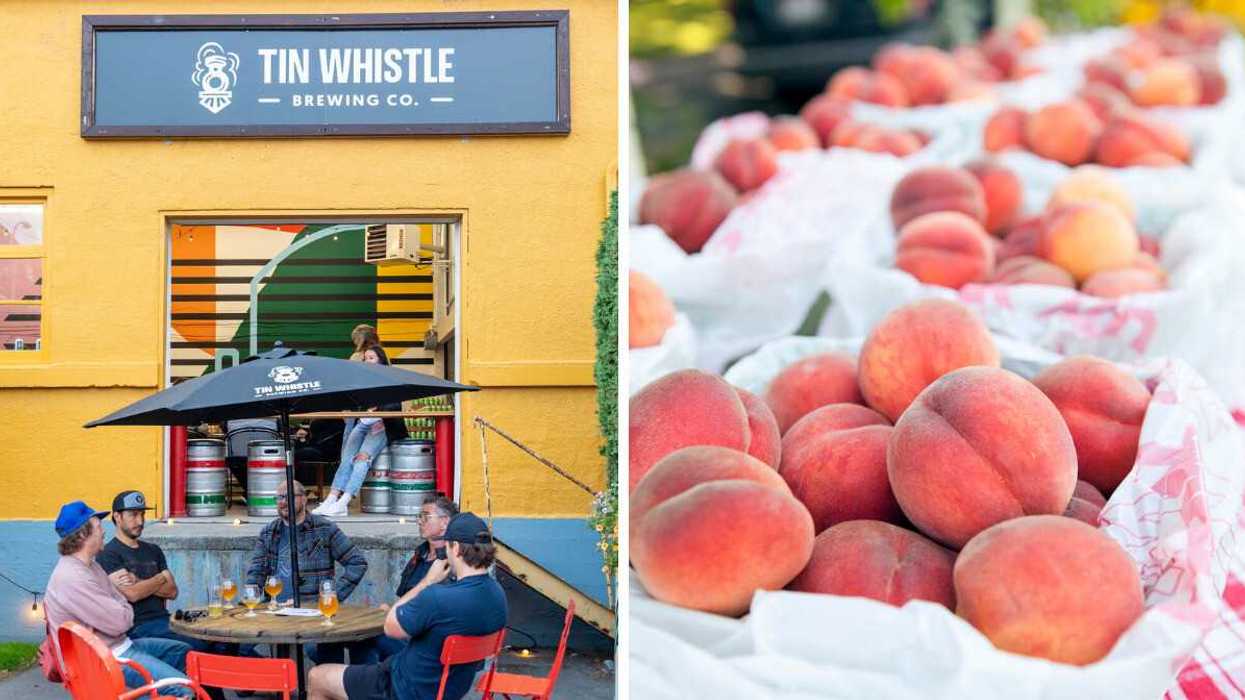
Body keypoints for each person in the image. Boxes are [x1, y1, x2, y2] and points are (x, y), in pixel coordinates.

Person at [306, 512, 508, 700]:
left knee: (317, 676)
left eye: (446, 546)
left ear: (455, 548)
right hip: (450, 689)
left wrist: (427, 582)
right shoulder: (498, 594)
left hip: (403, 688)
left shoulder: (438, 596)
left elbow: (390, 626)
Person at [43, 500, 195, 697]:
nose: (104, 532)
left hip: (118, 646)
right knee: (183, 687)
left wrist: (120, 602)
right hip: (105, 660)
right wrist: (121, 603)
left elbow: (121, 603)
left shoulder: (91, 566)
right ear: (82, 535)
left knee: (182, 652)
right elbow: (121, 621)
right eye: (98, 527)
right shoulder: (73, 578)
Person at [310, 496, 459, 666]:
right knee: (336, 635)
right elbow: (405, 597)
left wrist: (394, 614)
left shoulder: (449, 562)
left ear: (445, 522)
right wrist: (391, 609)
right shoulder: (421, 554)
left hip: (421, 640)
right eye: (419, 516)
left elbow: (432, 610)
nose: (419, 521)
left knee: (363, 636)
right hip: (404, 624)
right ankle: (337, 683)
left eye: (425, 516)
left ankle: (344, 685)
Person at [314, 345, 409, 518]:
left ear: (381, 360)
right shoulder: (362, 378)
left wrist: (377, 411)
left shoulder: (390, 378)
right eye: (365, 358)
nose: (367, 361)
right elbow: (354, 402)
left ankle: (344, 502)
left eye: (371, 357)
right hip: (363, 422)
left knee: (361, 459)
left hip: (381, 425)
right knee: (346, 459)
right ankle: (331, 498)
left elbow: (395, 406)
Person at [246, 479, 368, 604]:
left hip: (311, 610)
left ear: (304, 499)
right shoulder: (268, 532)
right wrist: (249, 599)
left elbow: (357, 563)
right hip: (274, 609)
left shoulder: (324, 529)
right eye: (279, 498)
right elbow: (256, 571)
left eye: (289, 497)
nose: (283, 502)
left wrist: (331, 596)